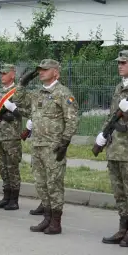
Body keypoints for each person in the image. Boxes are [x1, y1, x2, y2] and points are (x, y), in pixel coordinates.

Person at [17, 58, 79, 235]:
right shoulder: (38, 93)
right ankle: (47, 217)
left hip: (53, 147)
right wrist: (22, 83)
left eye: (45, 69)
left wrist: (64, 142)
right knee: (41, 183)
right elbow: (19, 101)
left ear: (55, 72)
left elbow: (72, 120)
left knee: (54, 184)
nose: (41, 72)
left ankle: (56, 221)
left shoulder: (63, 93)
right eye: (39, 70)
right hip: (37, 144)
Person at [97, 50, 128, 247]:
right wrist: (102, 134)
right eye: (119, 62)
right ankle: (123, 228)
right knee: (119, 192)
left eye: (124, 62)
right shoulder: (119, 87)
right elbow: (112, 116)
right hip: (115, 148)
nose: (120, 65)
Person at [0, 64, 23, 211]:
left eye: (5, 74)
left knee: (12, 167)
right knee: (2, 167)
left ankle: (14, 199)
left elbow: (23, 113)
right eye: (1, 74)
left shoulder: (18, 92)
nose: (2, 76)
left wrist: (13, 113)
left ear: (12, 75)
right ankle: (6, 196)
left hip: (11, 136)